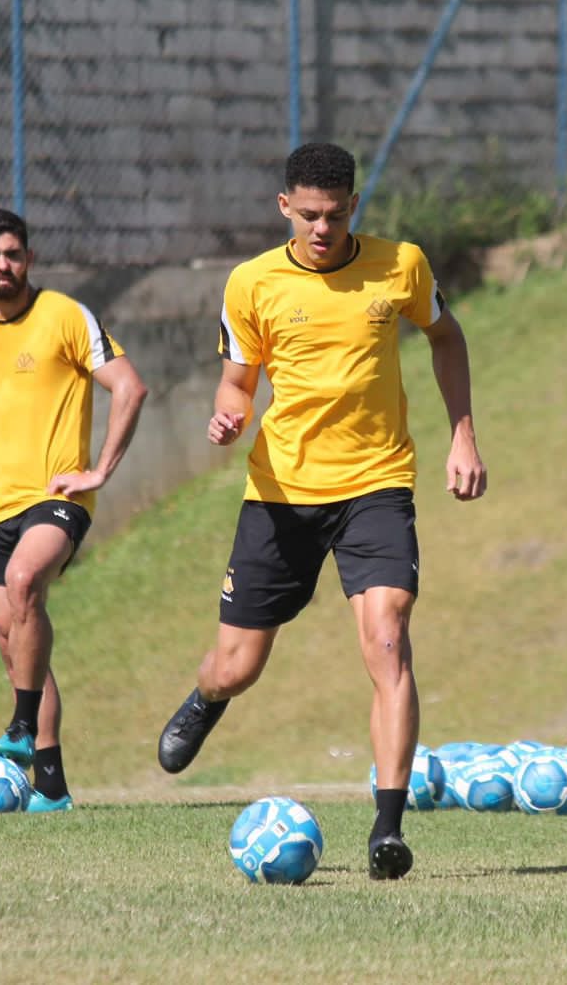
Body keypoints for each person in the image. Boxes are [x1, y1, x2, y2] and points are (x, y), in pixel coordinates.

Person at [156, 142, 487, 879]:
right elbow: (237, 381)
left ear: (354, 208)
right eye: (308, 214)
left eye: (335, 215)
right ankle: (209, 696)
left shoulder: (402, 265)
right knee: (239, 665)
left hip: (376, 482)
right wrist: (229, 416)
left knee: (388, 636)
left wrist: (462, 434)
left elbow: (446, 335)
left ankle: (388, 828)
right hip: (280, 495)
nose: (321, 228)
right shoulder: (251, 283)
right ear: (284, 207)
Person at [0, 207, 147, 812]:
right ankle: (54, 788)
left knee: (23, 582)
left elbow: (130, 386)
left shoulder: (65, 315)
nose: (3, 265)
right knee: (15, 641)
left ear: (29, 259)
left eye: (13, 253)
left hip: (57, 500)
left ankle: (17, 730)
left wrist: (101, 471)